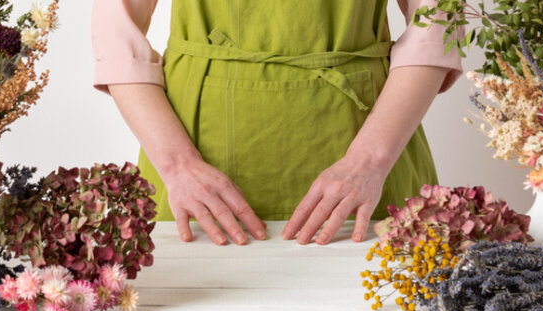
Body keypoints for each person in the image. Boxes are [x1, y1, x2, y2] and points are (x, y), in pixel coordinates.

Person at [92, 0, 462, 246]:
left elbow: (436, 24)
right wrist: (178, 166)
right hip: (192, 159)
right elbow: (116, 32)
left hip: (371, 151)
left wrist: (369, 162)